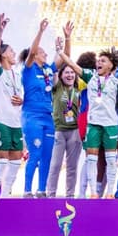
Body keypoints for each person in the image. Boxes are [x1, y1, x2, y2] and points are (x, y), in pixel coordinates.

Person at [59, 47, 118, 197]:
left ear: (111, 65)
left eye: (103, 61)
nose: (99, 62)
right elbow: (73, 66)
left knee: (110, 160)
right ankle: (92, 192)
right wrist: (60, 52)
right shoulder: (90, 76)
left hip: (110, 125)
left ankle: (110, 192)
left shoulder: (116, 81)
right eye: (98, 61)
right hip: (92, 123)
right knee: (91, 159)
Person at [19, 18, 71, 198]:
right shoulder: (28, 70)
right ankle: (27, 190)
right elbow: (32, 51)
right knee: (35, 153)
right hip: (32, 116)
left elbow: (64, 60)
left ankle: (42, 190)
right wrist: (40, 32)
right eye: (42, 52)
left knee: (47, 156)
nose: (45, 54)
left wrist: (67, 38)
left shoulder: (48, 70)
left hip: (48, 117)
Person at [0, 14, 24, 198]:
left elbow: (20, 96)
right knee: (2, 161)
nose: (14, 53)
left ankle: (7, 194)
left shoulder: (17, 74)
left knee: (16, 161)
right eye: (11, 51)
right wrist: (0, 31)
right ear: (3, 55)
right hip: (0, 121)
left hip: (16, 123)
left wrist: (22, 100)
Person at [46, 55, 83, 198]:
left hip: (75, 131)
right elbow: (54, 68)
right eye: (67, 72)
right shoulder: (57, 87)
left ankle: (70, 196)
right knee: (55, 165)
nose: (70, 75)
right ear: (61, 76)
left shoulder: (79, 89)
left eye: (72, 72)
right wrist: (59, 51)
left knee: (72, 167)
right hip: (59, 131)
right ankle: (51, 195)